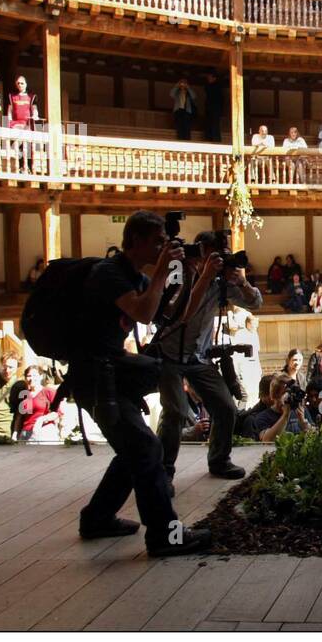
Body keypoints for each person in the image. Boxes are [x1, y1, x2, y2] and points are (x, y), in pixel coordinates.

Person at [73, 210, 211, 556]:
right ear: (134, 240)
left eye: (166, 242)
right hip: (95, 378)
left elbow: (175, 318)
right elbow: (143, 313)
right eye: (158, 241)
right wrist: (163, 270)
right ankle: (165, 535)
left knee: (134, 448)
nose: (164, 247)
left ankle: (97, 517)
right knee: (147, 448)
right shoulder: (109, 274)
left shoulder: (133, 276)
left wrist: (199, 277)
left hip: (111, 376)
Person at [152, 231, 261, 489]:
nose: (218, 261)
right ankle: (162, 472)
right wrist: (204, 275)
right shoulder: (180, 274)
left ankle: (219, 460)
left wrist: (241, 282)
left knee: (225, 407)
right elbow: (181, 313)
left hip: (198, 357)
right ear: (200, 252)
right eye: (213, 255)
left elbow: (255, 303)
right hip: (168, 355)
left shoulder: (219, 284)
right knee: (176, 412)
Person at [238, 372, 313, 441]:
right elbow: (267, 440)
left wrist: (303, 422)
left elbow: (314, 437)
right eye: (286, 393)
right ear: (275, 396)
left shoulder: (301, 410)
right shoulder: (262, 417)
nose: (290, 396)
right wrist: (285, 416)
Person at [203, 72, 225, 143]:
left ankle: (216, 140)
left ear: (214, 78)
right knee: (208, 124)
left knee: (215, 125)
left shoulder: (217, 86)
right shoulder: (208, 86)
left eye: (210, 77)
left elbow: (220, 99)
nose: (208, 79)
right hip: (209, 108)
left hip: (216, 109)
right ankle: (208, 139)